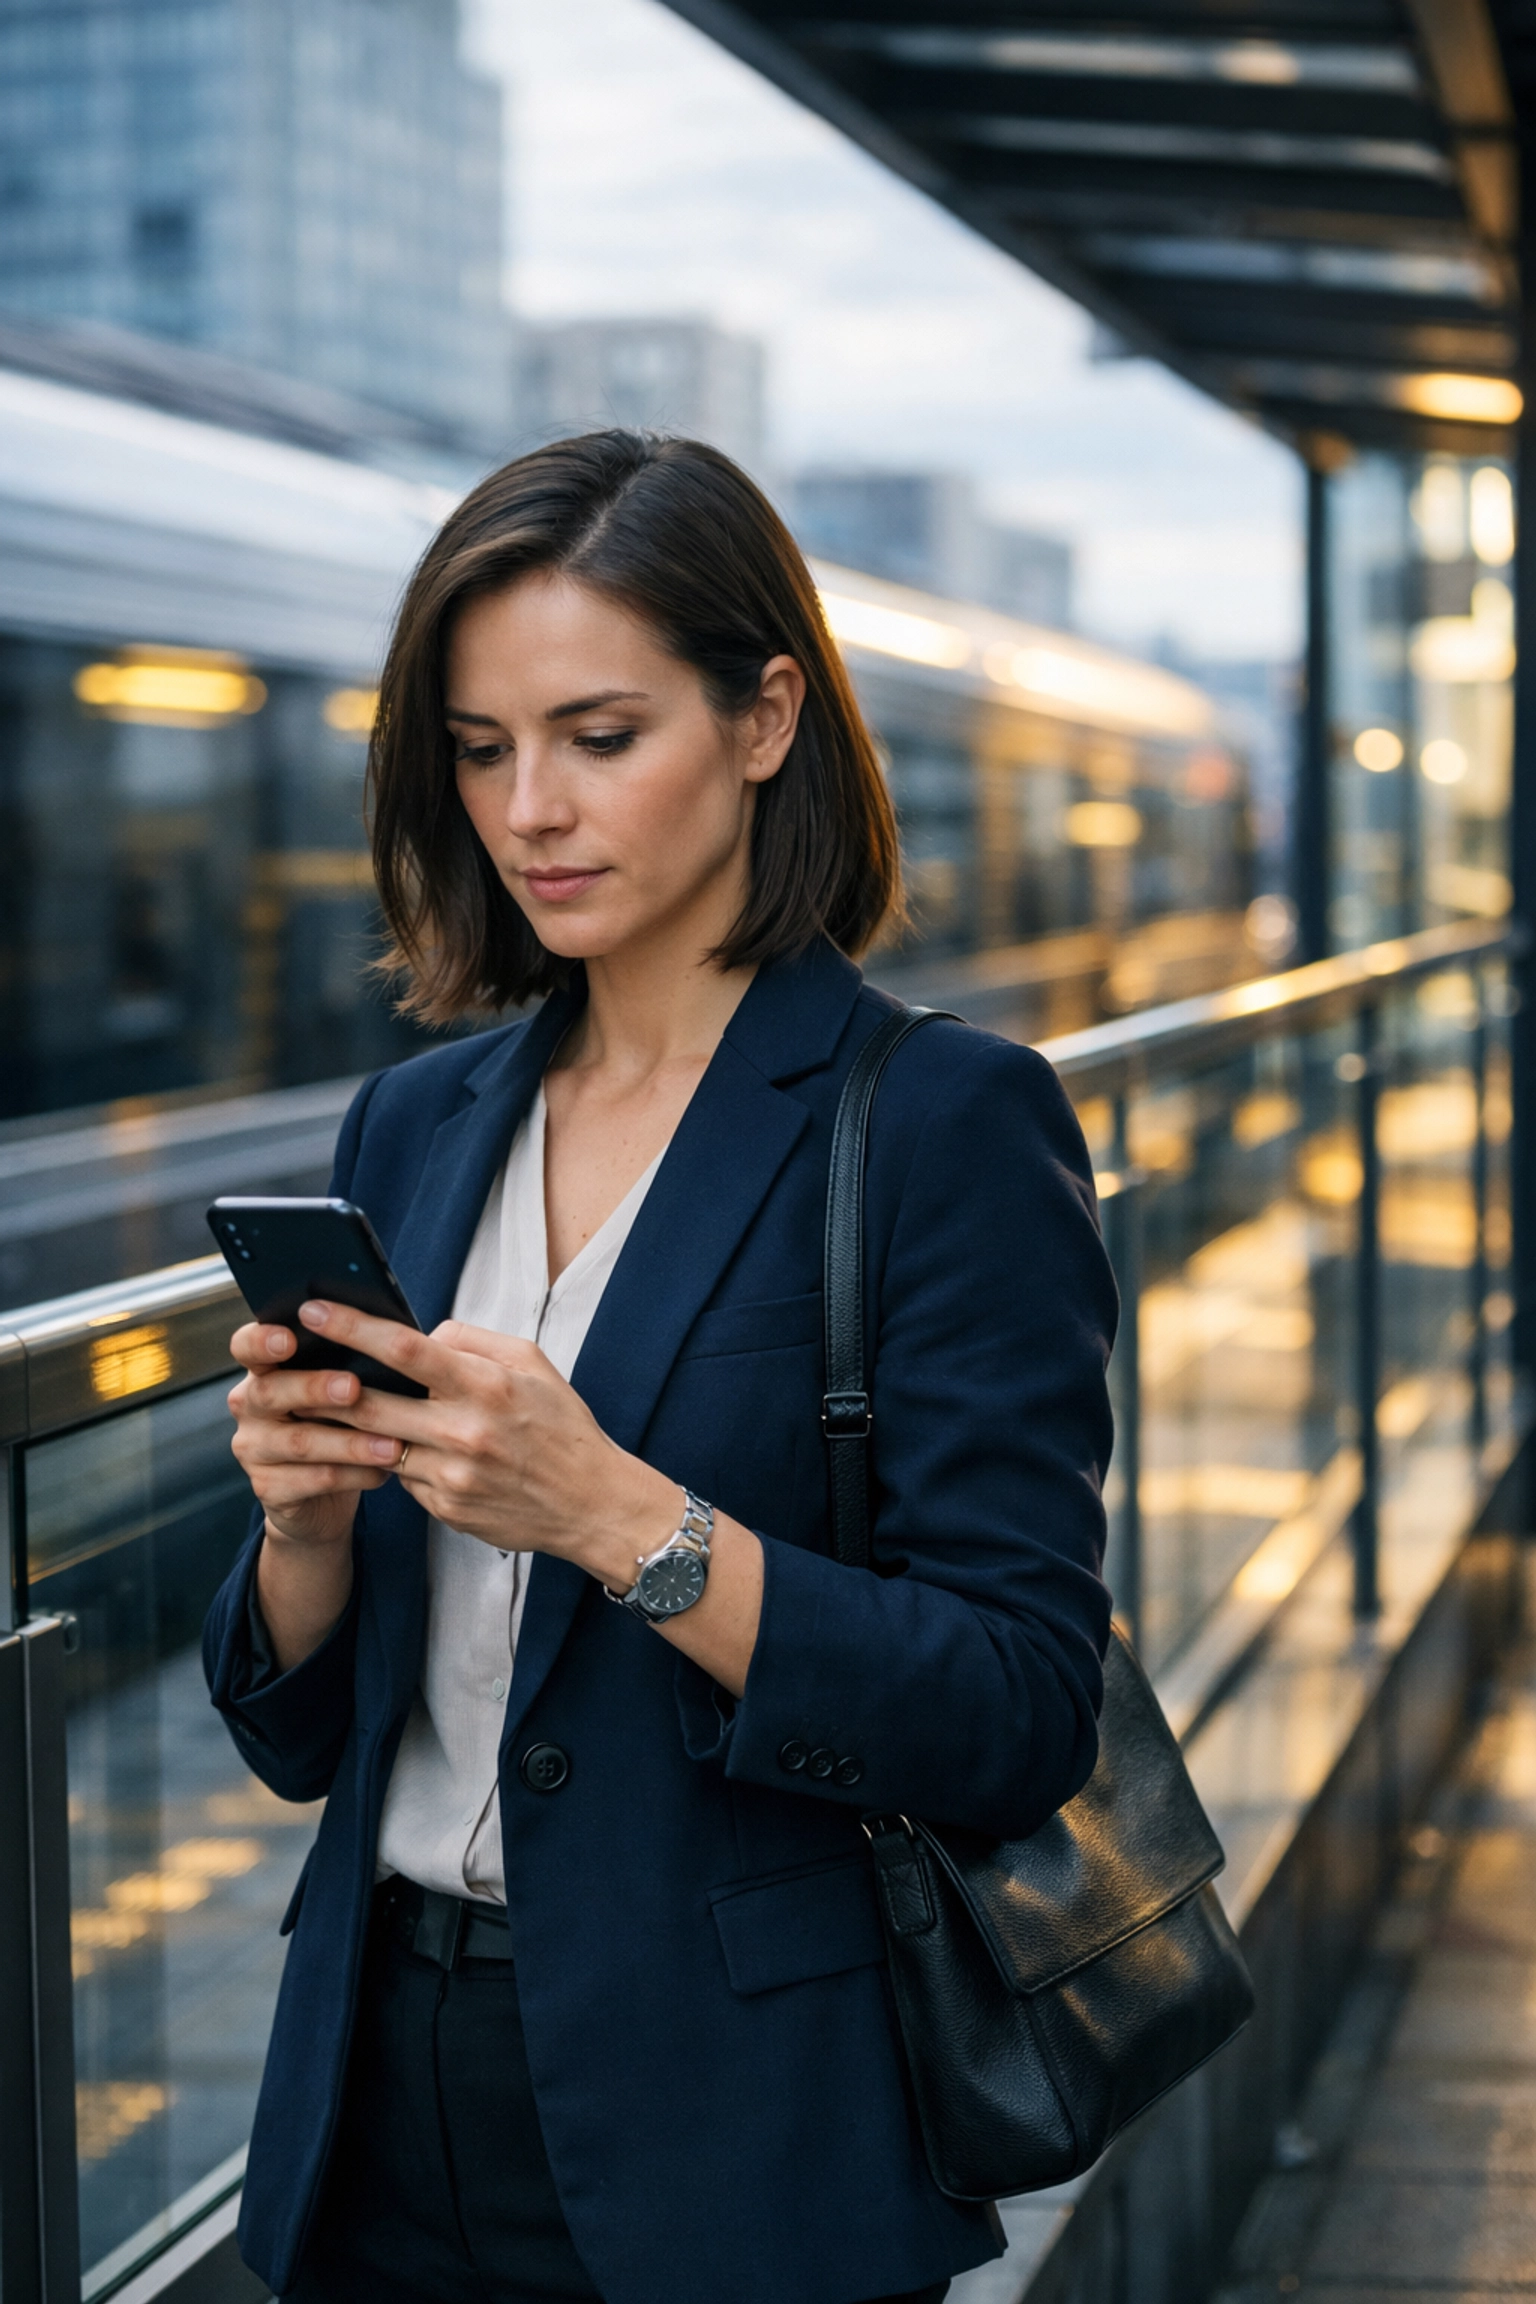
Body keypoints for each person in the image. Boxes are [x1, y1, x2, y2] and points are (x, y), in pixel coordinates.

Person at [204, 431, 1116, 2304]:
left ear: (768, 715)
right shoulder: (417, 1120)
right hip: (376, 2090)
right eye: (479, 748)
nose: (530, 806)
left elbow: (1021, 1710)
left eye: (600, 737)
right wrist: (301, 1532)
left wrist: (617, 1514)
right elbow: (312, 1737)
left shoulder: (938, 1121)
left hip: (737, 2123)